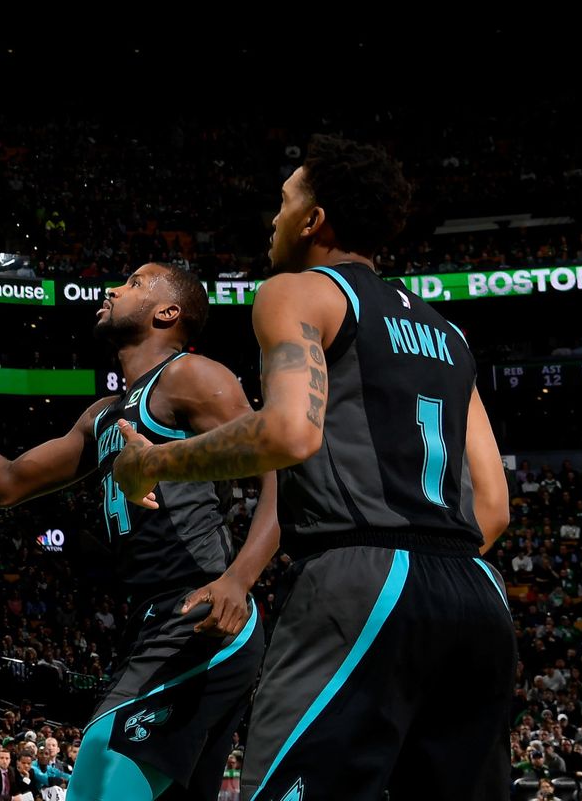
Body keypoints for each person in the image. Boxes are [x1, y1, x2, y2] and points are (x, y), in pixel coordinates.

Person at [113, 135, 514, 800]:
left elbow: (290, 432)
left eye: (284, 202)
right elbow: (493, 507)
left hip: (361, 577)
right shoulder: (449, 334)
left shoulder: (297, 291)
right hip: (476, 590)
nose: (273, 218)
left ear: (313, 219)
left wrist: (152, 461)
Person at [0, 264, 279, 801]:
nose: (114, 289)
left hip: (200, 616)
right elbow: (5, 483)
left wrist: (240, 578)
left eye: (135, 283)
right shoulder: (102, 417)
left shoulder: (193, 376)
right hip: (152, 622)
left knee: (98, 769)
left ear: (168, 312)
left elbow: (281, 469)